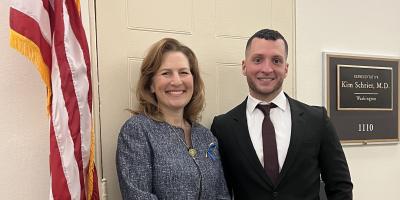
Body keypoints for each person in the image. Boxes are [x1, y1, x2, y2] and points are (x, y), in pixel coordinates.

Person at [211, 29, 353, 200]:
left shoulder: (317, 120)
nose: (267, 69)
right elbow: (220, 190)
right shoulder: (223, 127)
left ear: (285, 68)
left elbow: (340, 184)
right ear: (244, 66)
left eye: (276, 61)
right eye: (258, 60)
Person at [116, 38, 230, 200]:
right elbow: (138, 196)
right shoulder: (138, 131)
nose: (176, 81)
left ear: (193, 81)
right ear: (151, 85)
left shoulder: (206, 136)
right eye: (166, 73)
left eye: (183, 72)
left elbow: (221, 194)